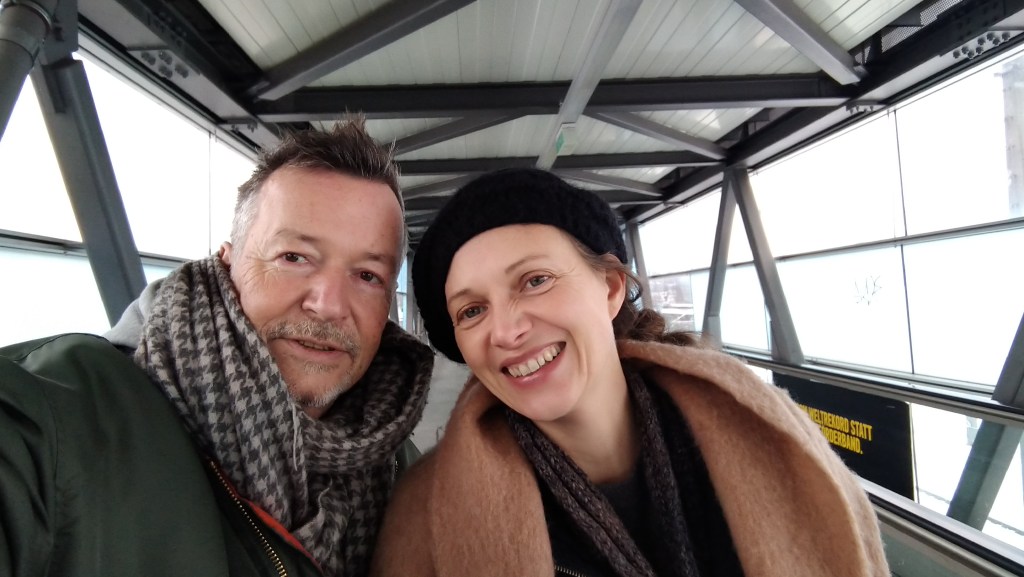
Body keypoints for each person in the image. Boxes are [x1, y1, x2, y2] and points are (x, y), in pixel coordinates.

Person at [370, 168, 890, 577]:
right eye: (472, 311)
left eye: (535, 280)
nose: (505, 331)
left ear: (611, 287)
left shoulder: (769, 430)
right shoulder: (427, 519)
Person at [0, 119, 434, 577]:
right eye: (293, 257)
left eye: (367, 275)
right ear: (227, 263)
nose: (328, 305)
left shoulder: (400, 468)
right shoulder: (54, 419)